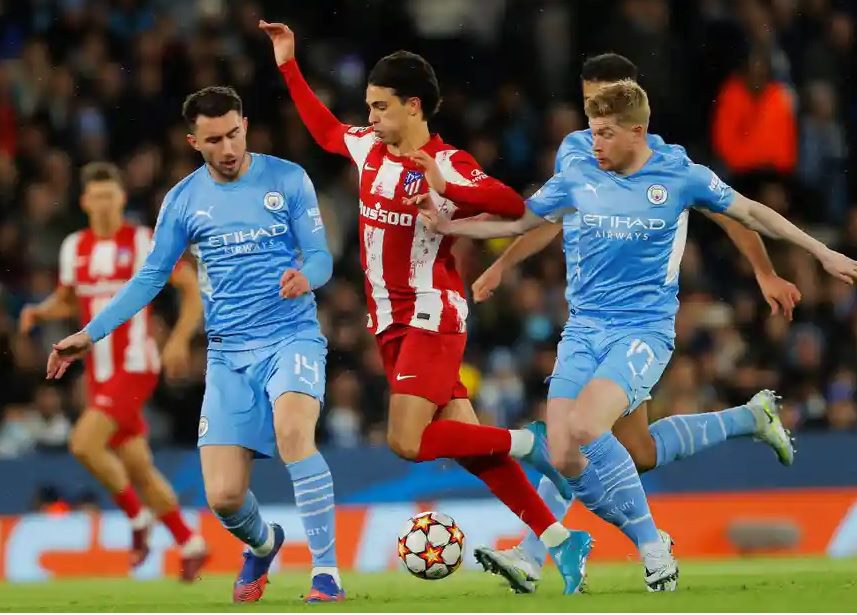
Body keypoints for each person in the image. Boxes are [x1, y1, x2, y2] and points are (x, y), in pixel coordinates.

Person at [415, 80, 857, 591]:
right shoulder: (579, 172)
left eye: (605, 133)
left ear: (637, 131)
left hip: (642, 331)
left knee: (587, 427)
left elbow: (751, 213)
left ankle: (648, 547)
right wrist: (450, 227)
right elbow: (518, 221)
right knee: (567, 454)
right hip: (583, 330)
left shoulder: (679, 175)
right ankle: (738, 429)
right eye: (592, 131)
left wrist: (821, 252)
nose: (594, 143)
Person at [260, 20, 591, 595]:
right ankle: (562, 540)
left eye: (380, 106)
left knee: (407, 441)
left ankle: (529, 442)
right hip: (389, 322)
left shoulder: (447, 162)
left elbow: (509, 203)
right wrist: (288, 64)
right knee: (471, 448)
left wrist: (445, 186)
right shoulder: (368, 147)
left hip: (431, 315)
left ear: (413, 106)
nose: (370, 117)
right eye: (368, 106)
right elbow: (325, 129)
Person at [44, 87, 342, 603]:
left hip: (290, 336)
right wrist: (90, 334)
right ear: (193, 142)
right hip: (227, 355)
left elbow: (321, 256)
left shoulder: (288, 178)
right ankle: (264, 543)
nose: (228, 148)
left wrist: (306, 277)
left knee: (295, 434)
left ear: (245, 125)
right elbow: (149, 278)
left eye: (234, 134)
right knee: (224, 497)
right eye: (214, 140)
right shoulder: (182, 201)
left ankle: (326, 574)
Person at [20, 161, 208, 581]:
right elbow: (70, 300)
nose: (104, 203)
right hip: (99, 373)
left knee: (83, 443)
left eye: (111, 195)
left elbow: (189, 288)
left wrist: (179, 339)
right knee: (138, 466)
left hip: (136, 365)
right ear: (85, 201)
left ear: (122, 198)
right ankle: (189, 541)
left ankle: (138, 520)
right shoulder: (74, 247)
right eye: (97, 196)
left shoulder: (142, 241)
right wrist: (40, 311)